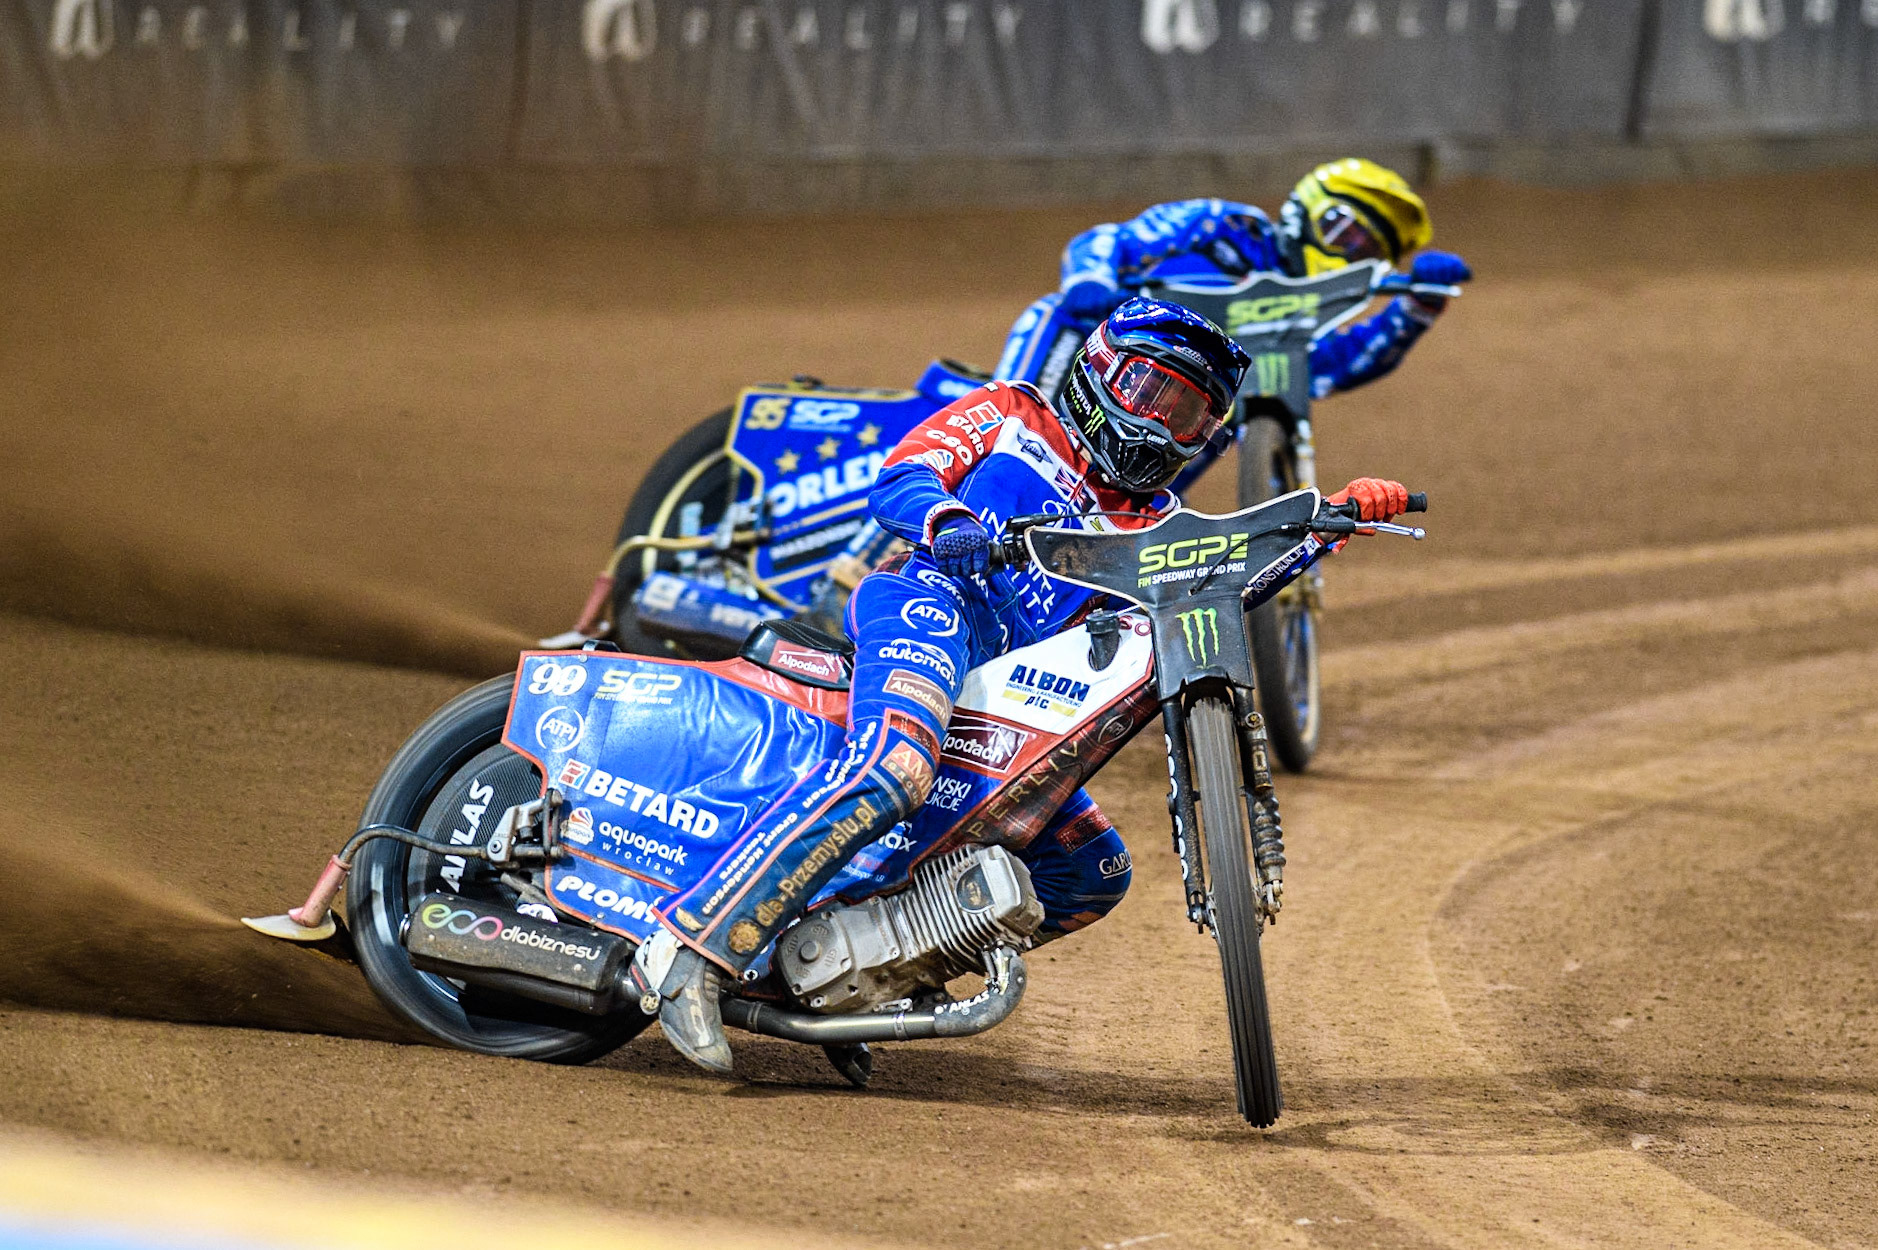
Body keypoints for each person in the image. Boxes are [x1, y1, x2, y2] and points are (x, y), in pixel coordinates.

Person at [632, 297, 1413, 1074]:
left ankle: (860, 980)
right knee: (896, 768)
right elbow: (904, 475)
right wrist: (947, 522)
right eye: (1151, 394)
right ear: (1099, 375)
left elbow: (1215, 586)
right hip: (932, 604)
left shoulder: (1157, 524)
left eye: (1189, 416)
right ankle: (693, 950)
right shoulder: (1013, 415)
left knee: (1092, 874)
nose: (1162, 426)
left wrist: (1324, 527)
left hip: (1016, 690)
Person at [995, 158, 1472, 407]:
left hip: (1164, 407)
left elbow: (1329, 368)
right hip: (1094, 347)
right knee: (1049, 338)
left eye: (1366, 250)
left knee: (1217, 408)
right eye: (1342, 230)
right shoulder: (1225, 224)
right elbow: (1112, 239)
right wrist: (1090, 281)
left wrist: (1416, 310)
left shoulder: (1303, 312)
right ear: (1306, 209)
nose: (1348, 251)